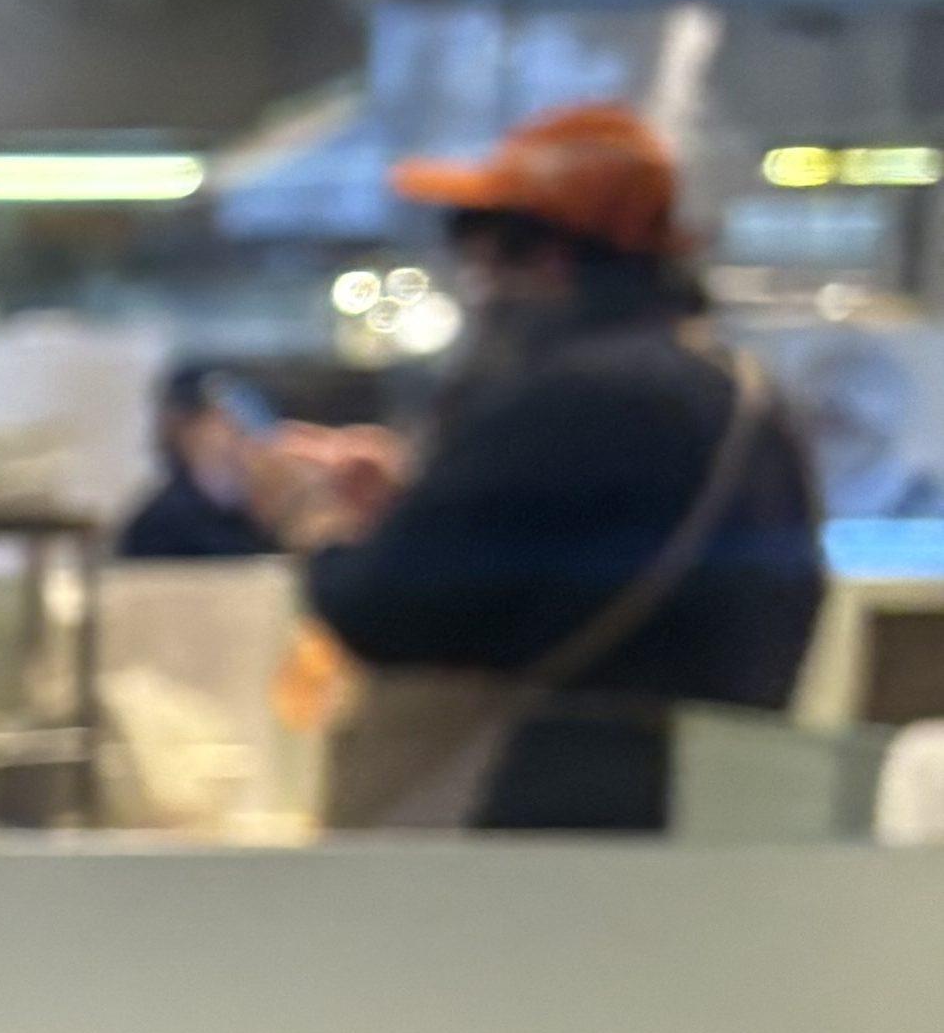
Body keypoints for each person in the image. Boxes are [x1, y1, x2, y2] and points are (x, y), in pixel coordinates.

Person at [257, 103, 823, 833]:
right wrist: (417, 507)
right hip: (703, 814)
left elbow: (383, 611)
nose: (479, 290)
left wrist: (314, 516)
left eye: (484, 262)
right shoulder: (735, 391)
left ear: (548, 260)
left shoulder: (582, 395)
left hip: (552, 825)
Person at [116, 361, 282, 564]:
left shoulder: (252, 514)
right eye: (220, 420)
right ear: (184, 429)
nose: (236, 435)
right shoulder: (163, 523)